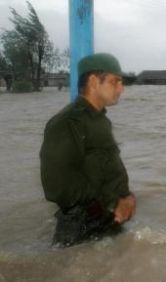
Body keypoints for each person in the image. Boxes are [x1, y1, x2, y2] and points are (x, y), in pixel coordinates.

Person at [40, 53, 136, 247]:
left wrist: (126, 197)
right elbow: (57, 187)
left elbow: (104, 169)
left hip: (106, 220)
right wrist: (112, 203)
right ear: (93, 81)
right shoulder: (68, 122)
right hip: (81, 227)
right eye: (115, 81)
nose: (121, 88)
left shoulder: (99, 120)